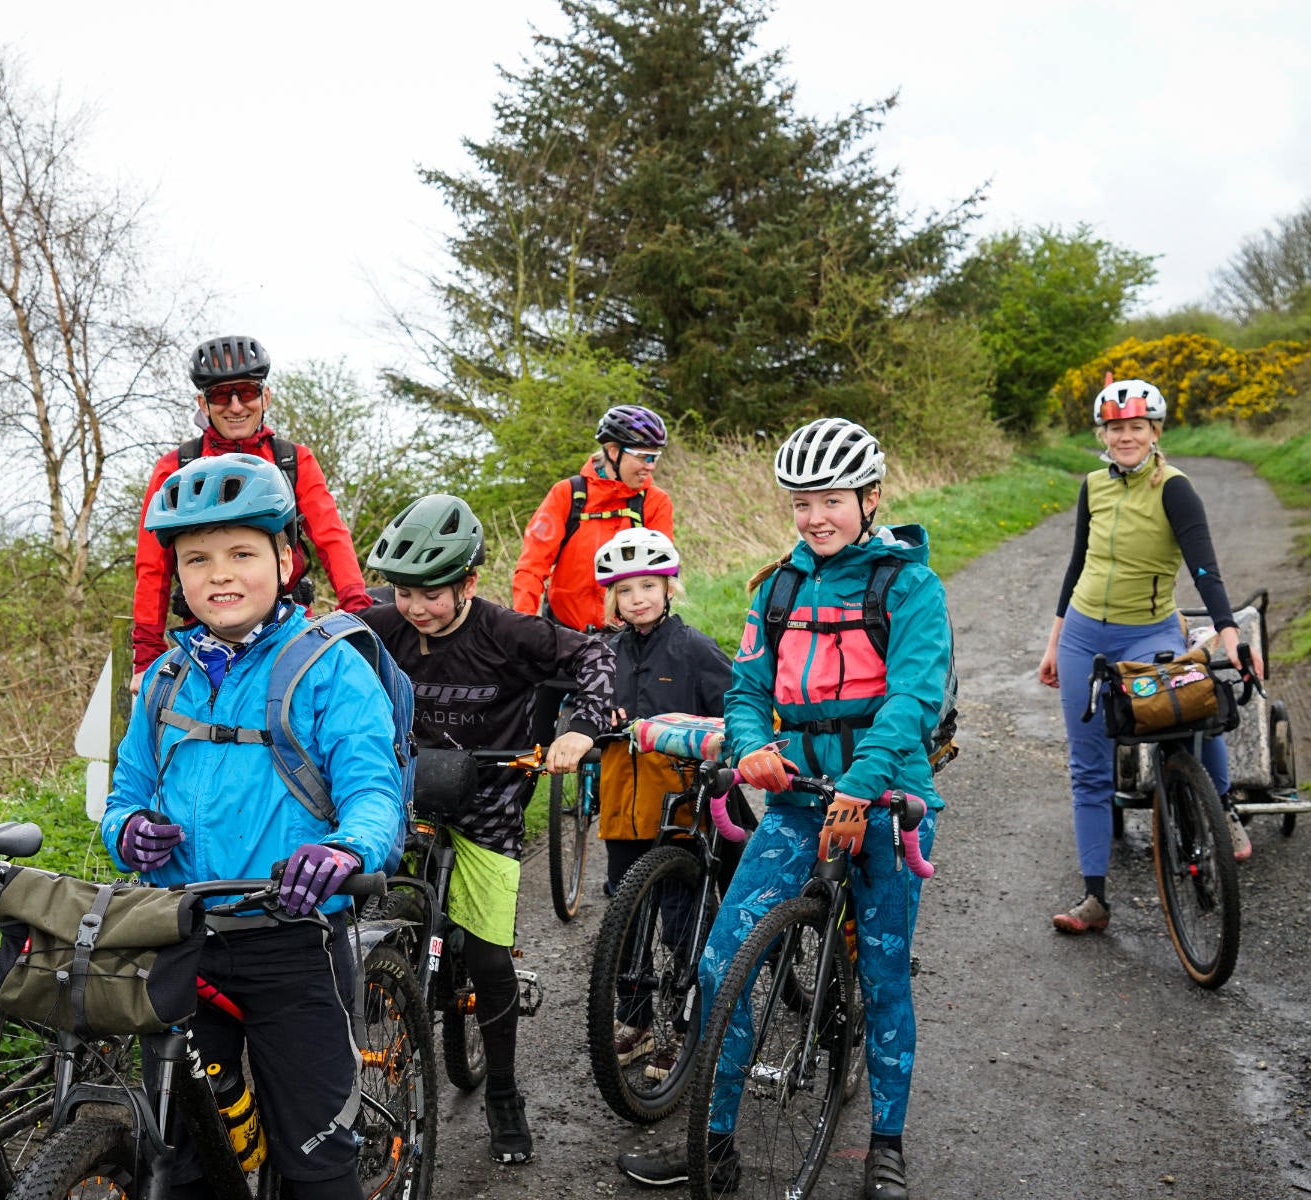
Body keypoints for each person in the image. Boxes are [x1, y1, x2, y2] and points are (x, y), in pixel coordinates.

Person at [618, 417, 950, 1200]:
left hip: (886, 802)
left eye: (830, 499)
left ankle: (887, 1147)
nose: (814, 517)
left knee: (885, 971)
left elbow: (913, 700)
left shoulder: (910, 587)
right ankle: (717, 1142)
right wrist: (750, 746)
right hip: (800, 802)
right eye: (801, 502)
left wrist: (862, 786)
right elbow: (746, 691)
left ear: (870, 497)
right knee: (722, 961)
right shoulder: (777, 587)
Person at [102, 453, 405, 1200]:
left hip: (291, 942)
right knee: (181, 1165)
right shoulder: (165, 677)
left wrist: (345, 848)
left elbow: (373, 790)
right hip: (181, 941)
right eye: (196, 559)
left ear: (285, 556)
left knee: (316, 1168)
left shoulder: (329, 668)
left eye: (241, 552)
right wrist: (129, 829)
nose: (219, 574)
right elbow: (126, 790)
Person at [361, 493, 614, 1165]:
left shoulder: (508, 633)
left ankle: (503, 1093)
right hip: (404, 795)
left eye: (431, 595)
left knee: (490, 960)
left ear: (469, 583)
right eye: (403, 592)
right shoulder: (378, 629)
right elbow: (307, 656)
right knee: (356, 920)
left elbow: (595, 660)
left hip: (490, 801)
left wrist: (580, 728)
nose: (415, 608)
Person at [1036, 378, 1264, 934]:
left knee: (1193, 713)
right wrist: (1054, 640)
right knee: (1087, 768)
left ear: (1155, 432)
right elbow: (1076, 566)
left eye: (1136, 426)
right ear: (1104, 434)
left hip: (1151, 632)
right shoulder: (1093, 485)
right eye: (1116, 428)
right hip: (1085, 635)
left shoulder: (1175, 489)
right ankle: (1094, 898)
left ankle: (1221, 806)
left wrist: (1229, 631)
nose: (1126, 437)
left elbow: (1205, 567)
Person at [130, 334, 371, 678]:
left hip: (288, 632)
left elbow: (332, 539)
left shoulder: (293, 460)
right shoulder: (176, 467)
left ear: (265, 396)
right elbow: (152, 565)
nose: (235, 406)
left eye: (245, 392)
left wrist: (358, 613)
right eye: (219, 395)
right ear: (203, 403)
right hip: (207, 637)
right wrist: (146, 657)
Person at [591, 527, 734, 1080]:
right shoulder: (606, 651)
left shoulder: (693, 649)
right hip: (623, 811)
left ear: (670, 586)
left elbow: (735, 713)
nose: (639, 599)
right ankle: (637, 1021)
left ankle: (690, 1024)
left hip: (680, 811)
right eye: (626, 591)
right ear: (613, 600)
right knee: (626, 922)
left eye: (649, 586)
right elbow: (583, 712)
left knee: (681, 921)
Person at [512, 402, 675, 632]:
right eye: (642, 457)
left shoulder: (655, 502)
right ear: (613, 451)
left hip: (627, 637)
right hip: (564, 634)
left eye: (654, 457)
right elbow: (531, 568)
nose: (650, 467)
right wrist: (522, 627)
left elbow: (663, 574)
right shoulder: (566, 494)